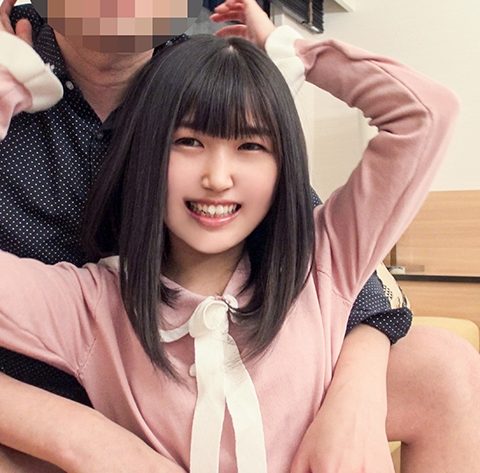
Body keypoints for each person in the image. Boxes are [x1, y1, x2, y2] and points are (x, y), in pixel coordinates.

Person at [1, 1, 480, 472]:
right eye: (188, 142)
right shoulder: (93, 305)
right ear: (144, 157)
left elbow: (425, 114)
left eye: (249, 145)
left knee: (447, 362)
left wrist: (295, 53)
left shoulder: (317, 262)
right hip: (40, 412)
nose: (217, 177)